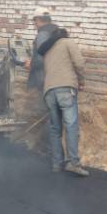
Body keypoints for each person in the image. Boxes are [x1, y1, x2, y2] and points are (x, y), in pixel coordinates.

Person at [38, 19, 88, 176]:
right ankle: (73, 163)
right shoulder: (67, 42)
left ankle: (57, 163)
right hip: (65, 90)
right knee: (71, 126)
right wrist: (81, 81)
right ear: (65, 35)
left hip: (49, 91)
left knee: (55, 128)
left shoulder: (48, 49)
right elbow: (79, 63)